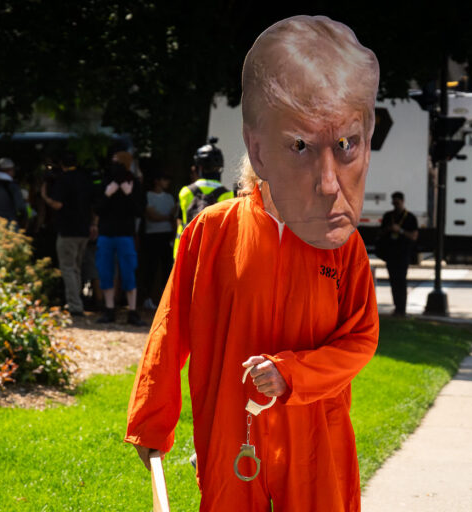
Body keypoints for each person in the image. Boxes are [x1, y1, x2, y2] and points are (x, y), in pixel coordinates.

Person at [126, 16, 380, 511]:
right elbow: (170, 330)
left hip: (314, 436)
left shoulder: (342, 243)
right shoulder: (212, 230)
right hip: (231, 433)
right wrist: (151, 421)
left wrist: (292, 374)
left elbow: (361, 339)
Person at [44, 153, 97, 317]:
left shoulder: (63, 180)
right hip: (84, 230)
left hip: (67, 231)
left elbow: (57, 204)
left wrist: (45, 196)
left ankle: (75, 305)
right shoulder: (85, 179)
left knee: (68, 268)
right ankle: (76, 301)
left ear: (62, 164)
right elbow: (94, 204)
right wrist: (94, 224)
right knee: (76, 268)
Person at [95, 154, 146, 326]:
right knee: (105, 271)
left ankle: (132, 311)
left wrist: (128, 194)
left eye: (118, 163)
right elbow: (97, 208)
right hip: (106, 234)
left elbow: (139, 211)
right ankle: (109, 309)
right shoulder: (105, 182)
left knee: (128, 272)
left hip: (125, 234)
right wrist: (107, 194)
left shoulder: (133, 183)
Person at [173, 137, 234, 257]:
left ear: (199, 167)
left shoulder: (186, 192)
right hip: (211, 256)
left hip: (185, 253)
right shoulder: (228, 195)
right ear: (220, 168)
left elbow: (179, 221)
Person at [141, 170, 176, 310]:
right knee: (151, 266)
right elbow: (151, 216)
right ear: (156, 181)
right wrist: (168, 217)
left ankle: (165, 298)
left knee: (167, 267)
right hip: (152, 236)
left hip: (167, 235)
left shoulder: (169, 197)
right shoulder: (148, 196)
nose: (167, 182)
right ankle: (148, 298)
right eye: (164, 179)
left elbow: (173, 217)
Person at [380, 191, 418, 317]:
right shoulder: (388, 216)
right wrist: (389, 229)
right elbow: (380, 233)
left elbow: (414, 236)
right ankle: (397, 307)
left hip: (403, 254)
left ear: (402, 201)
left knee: (401, 281)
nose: (395, 205)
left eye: (397, 203)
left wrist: (400, 230)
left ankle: (402, 308)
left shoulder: (410, 218)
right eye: (394, 203)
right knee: (393, 281)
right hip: (391, 254)